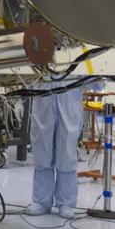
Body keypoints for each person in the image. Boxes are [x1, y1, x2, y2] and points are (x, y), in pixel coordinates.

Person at [25, 81, 85, 219]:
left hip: (69, 105)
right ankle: (41, 202)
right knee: (42, 153)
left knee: (66, 154)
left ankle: (66, 203)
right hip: (43, 103)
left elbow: (95, 79)